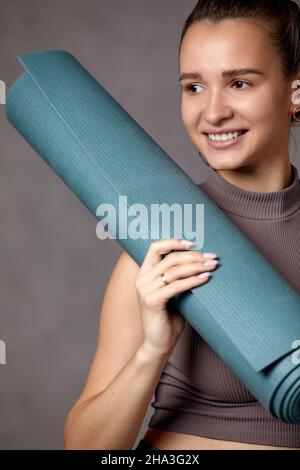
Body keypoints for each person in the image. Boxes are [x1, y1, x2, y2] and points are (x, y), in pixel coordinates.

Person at [63, 0, 300, 450]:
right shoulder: (162, 240)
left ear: (295, 91)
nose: (212, 113)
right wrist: (152, 350)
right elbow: (85, 448)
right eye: (193, 87)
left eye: (240, 83)